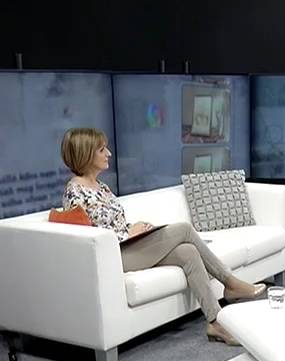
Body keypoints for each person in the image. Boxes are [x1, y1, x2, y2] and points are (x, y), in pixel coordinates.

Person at [60, 128, 266, 346]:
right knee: (184, 229)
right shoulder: (75, 192)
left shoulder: (101, 187)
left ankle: (215, 322)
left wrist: (134, 227)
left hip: (128, 245)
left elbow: (111, 222)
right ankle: (230, 282)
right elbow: (90, 237)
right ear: (86, 154)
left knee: (188, 252)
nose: (109, 153)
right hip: (115, 256)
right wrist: (127, 233)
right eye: (102, 150)